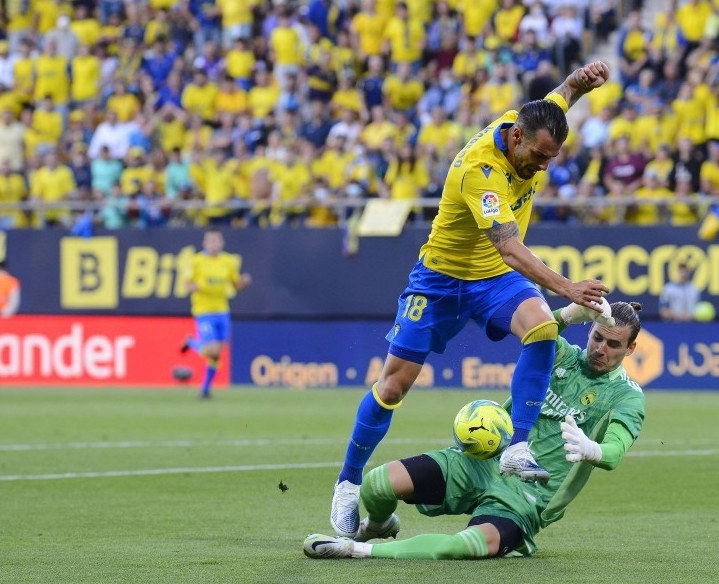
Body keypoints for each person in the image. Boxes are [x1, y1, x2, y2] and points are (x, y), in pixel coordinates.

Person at [330, 61, 614, 539]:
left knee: (542, 327)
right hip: (440, 280)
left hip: (491, 279)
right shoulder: (479, 170)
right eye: (538, 156)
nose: (543, 166)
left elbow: (560, 96)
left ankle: (518, 446)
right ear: (517, 137)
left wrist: (580, 83)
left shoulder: (531, 125)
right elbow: (509, 246)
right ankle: (347, 484)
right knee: (392, 386)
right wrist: (567, 287)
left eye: (552, 158)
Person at [306, 300, 645, 560]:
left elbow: (614, 452)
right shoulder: (560, 356)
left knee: (462, 547)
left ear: (630, 349)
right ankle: (378, 525)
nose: (601, 349)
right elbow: (540, 327)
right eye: (597, 337)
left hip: (526, 498)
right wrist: (568, 314)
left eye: (613, 345)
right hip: (484, 461)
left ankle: (353, 549)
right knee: (377, 485)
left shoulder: (627, 397)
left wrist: (593, 450)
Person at [180, 229, 252, 399]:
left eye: (216, 241)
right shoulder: (196, 261)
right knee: (211, 350)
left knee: (217, 354)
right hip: (204, 311)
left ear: (222, 243)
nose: (214, 244)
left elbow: (235, 286)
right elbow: (187, 283)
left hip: (222, 311)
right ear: (205, 244)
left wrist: (243, 282)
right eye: (210, 241)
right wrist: (192, 287)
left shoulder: (228, 261)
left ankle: (205, 389)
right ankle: (191, 342)